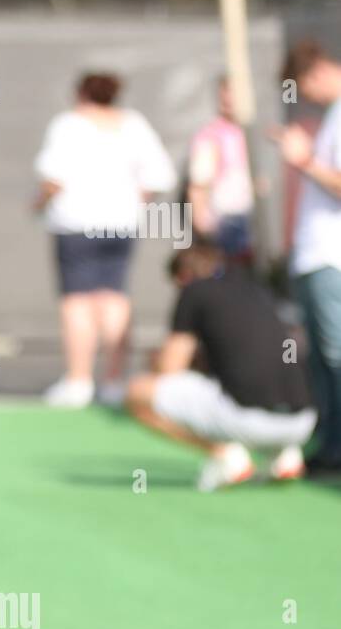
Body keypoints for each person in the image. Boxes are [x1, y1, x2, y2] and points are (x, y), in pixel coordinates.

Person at [35, 72, 176, 409]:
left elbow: (52, 180)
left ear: (81, 93)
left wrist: (39, 203)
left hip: (75, 224)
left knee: (78, 302)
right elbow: (159, 175)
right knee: (114, 297)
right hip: (120, 224)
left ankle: (78, 380)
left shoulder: (67, 125)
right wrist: (132, 201)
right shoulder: (134, 125)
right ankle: (114, 381)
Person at [126, 243, 315, 491]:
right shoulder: (255, 289)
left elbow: (170, 367)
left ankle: (225, 454)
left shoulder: (194, 290)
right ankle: (283, 455)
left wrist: (157, 360)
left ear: (183, 276)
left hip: (249, 421)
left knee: (138, 393)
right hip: (303, 421)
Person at [274, 40, 341, 476]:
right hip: (315, 256)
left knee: (335, 356)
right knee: (319, 359)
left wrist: (303, 161)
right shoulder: (332, 115)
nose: (306, 99)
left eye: (303, 88)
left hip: (330, 258)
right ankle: (331, 446)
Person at [187, 77, 255, 264]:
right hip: (226, 220)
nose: (229, 100)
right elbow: (199, 182)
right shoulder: (210, 136)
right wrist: (202, 220)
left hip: (251, 219)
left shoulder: (250, 132)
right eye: (226, 95)